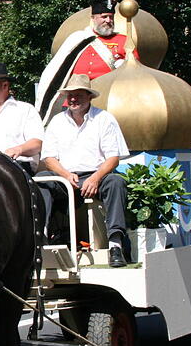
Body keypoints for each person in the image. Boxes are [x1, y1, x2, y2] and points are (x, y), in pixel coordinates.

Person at [40, 74, 131, 267]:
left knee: (117, 182)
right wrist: (65, 175)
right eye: (70, 95)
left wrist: (96, 178)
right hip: (65, 177)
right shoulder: (57, 121)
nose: (73, 99)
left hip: (96, 175)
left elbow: (113, 158)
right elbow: (48, 159)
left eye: (78, 95)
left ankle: (115, 244)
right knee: (40, 180)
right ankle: (42, 237)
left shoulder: (104, 119)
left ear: (89, 96)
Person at [35, 0, 140, 122]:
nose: (108, 21)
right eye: (104, 17)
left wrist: (125, 65)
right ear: (93, 18)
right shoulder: (78, 39)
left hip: (109, 100)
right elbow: (57, 70)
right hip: (75, 101)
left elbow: (136, 72)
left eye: (111, 17)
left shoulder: (124, 41)